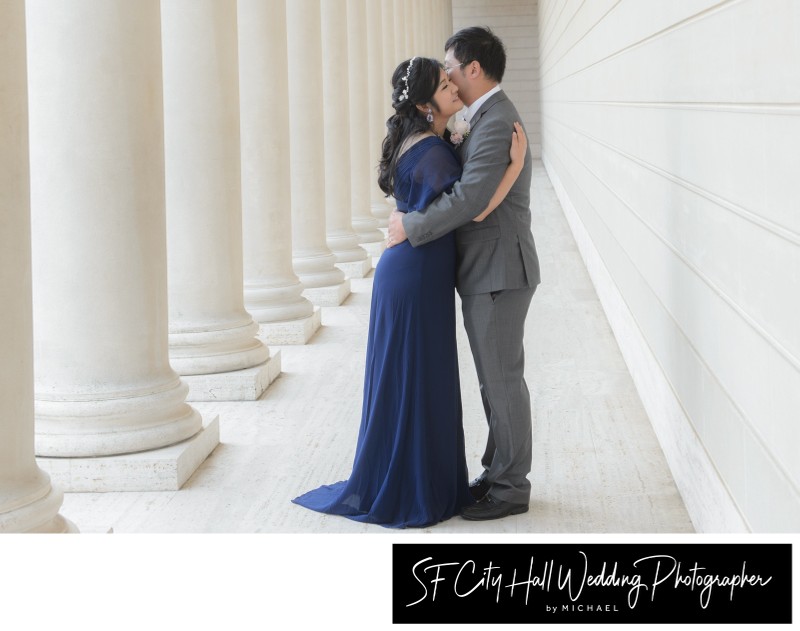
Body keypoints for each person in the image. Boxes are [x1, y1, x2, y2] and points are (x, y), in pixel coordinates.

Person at [291, 56, 527, 528]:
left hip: (413, 271)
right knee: (418, 377)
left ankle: (421, 477)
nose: (454, 89)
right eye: (444, 85)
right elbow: (472, 207)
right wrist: (514, 166)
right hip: (417, 274)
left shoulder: (426, 141)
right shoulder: (434, 151)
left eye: (452, 78)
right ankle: (417, 484)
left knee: (414, 378)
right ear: (424, 104)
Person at [387, 27, 541, 522]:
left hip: (498, 269)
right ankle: (498, 472)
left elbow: (471, 199)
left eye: (451, 66)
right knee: (492, 382)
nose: (447, 74)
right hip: (485, 269)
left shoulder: (496, 121)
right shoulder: (481, 117)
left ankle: (512, 486)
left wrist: (410, 226)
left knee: (502, 381)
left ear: (474, 68)